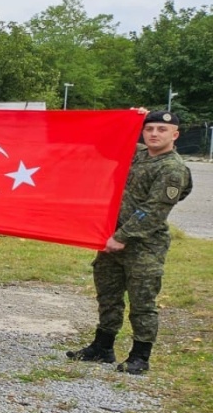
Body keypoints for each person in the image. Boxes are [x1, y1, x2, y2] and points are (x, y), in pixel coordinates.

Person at [69, 109, 193, 374]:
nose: (154, 134)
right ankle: (102, 347)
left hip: (144, 245)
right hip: (113, 238)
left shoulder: (172, 168)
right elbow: (105, 143)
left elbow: (154, 210)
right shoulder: (137, 153)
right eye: (149, 129)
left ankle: (140, 356)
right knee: (108, 295)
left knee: (142, 301)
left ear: (175, 135)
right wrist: (130, 119)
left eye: (162, 129)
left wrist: (122, 237)